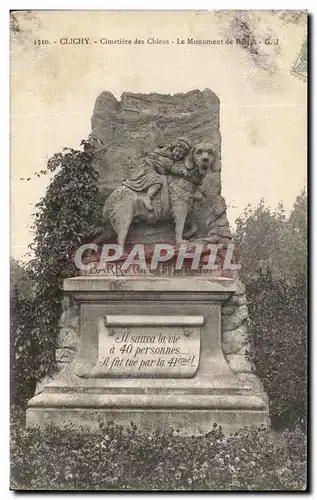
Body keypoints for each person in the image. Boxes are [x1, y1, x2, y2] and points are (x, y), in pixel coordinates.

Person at [123, 137, 192, 211]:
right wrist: (185, 173)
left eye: (181, 153)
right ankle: (148, 198)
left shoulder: (170, 157)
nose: (177, 154)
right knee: (157, 181)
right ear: (172, 148)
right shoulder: (166, 158)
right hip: (147, 169)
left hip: (150, 169)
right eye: (176, 150)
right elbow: (174, 169)